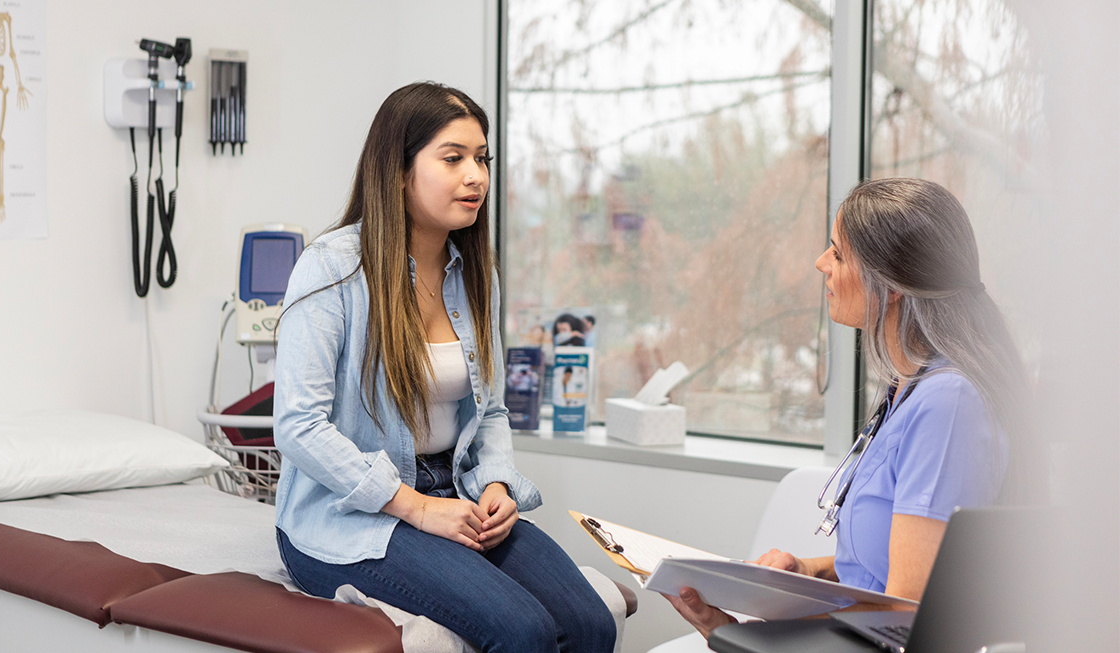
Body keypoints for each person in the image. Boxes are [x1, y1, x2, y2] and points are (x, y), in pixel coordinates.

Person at [272, 82, 616, 653]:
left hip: (453, 490)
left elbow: (492, 410)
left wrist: (497, 482)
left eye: (482, 159)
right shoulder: (330, 268)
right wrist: (417, 508)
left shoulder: (476, 274)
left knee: (592, 623)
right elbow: (298, 426)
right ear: (398, 172)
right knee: (522, 630)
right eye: (453, 158)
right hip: (346, 513)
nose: (476, 176)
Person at [664, 177, 1036, 642]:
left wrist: (744, 634)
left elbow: (905, 615)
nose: (821, 263)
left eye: (839, 255)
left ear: (893, 284)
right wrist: (809, 572)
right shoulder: (909, 389)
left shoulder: (949, 403)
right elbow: (883, 571)